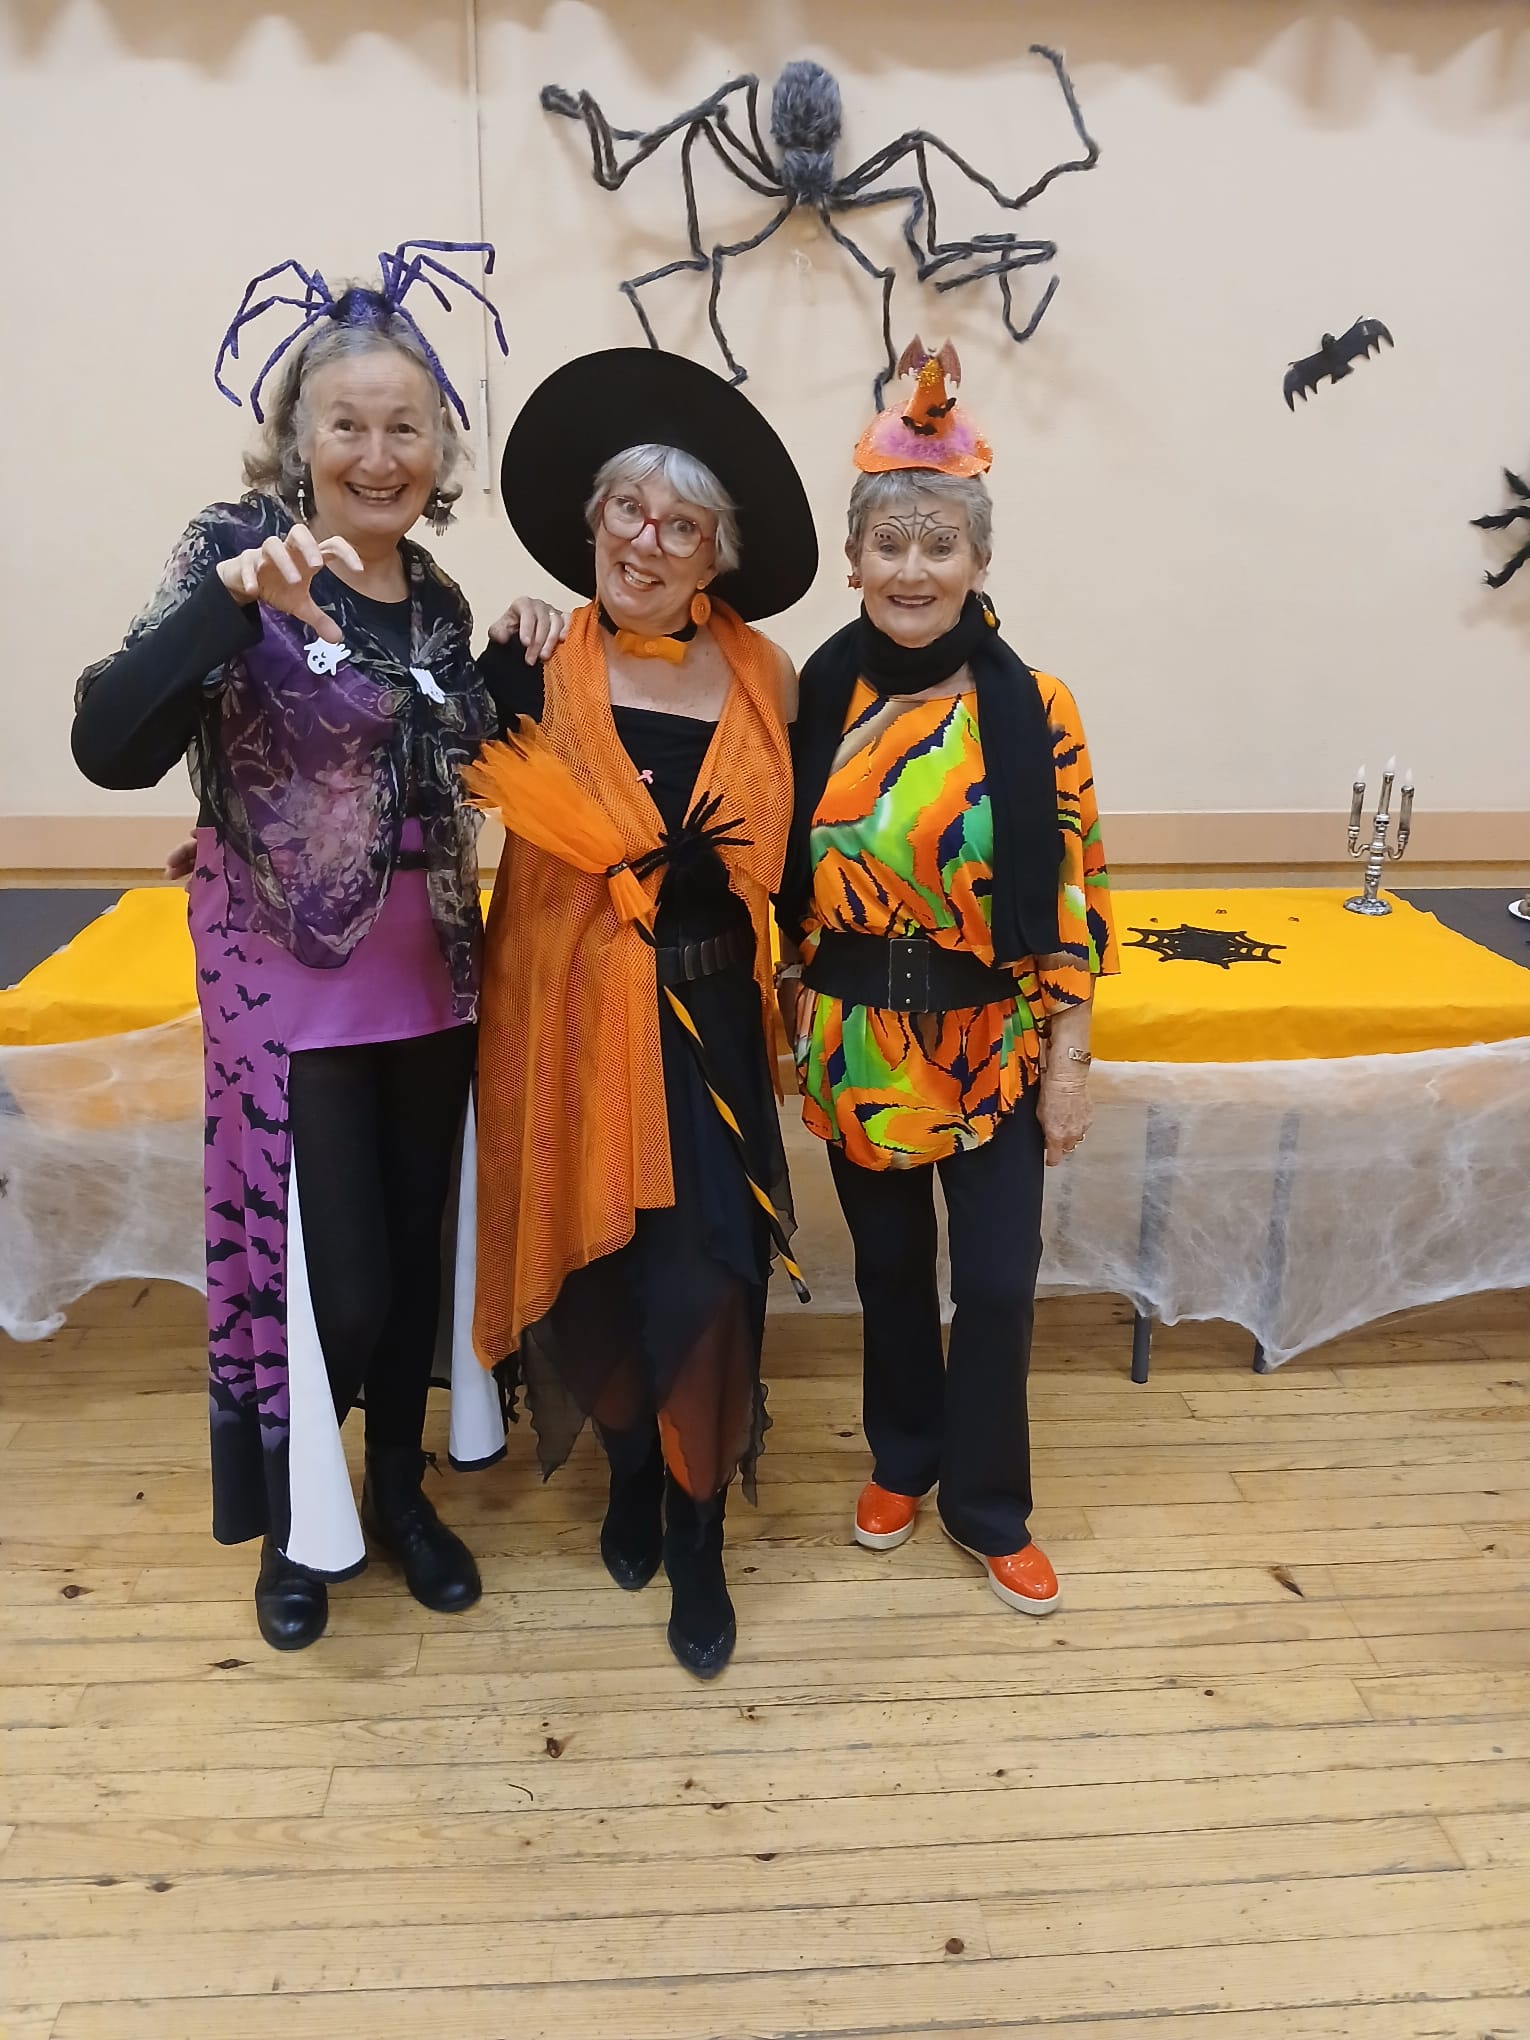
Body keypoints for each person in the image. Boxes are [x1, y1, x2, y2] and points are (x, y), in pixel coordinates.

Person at [71, 242, 563, 1651]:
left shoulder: (442, 602)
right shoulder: (236, 551)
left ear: (440, 450)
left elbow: (460, 759)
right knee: (320, 1275)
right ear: (299, 438)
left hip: (433, 974)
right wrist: (225, 604)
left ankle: (397, 1494)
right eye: (348, 423)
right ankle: (300, 1525)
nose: (378, 453)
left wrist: (518, 655)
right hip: (285, 984)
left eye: (407, 427)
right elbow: (109, 741)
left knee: (407, 1262)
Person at [468, 347, 817, 1678]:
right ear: (593, 519)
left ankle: (697, 1524)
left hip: (711, 1026)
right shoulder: (530, 664)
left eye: (681, 525)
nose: (647, 541)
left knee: (713, 1278)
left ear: (716, 555)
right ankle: (626, 1468)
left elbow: (807, 856)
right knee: (596, 1271)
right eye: (629, 509)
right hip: (570, 1029)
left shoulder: (767, 678)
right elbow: (407, 787)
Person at [777, 339, 1119, 1614]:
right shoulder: (812, 697)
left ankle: (987, 1504)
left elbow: (1077, 892)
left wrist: (1071, 1058)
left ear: (978, 562)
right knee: (885, 1274)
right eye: (890, 544)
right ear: (854, 558)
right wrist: (782, 1014)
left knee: (997, 1285)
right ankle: (902, 1457)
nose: (912, 569)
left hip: (994, 1040)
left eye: (940, 544)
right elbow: (772, 872)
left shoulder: (1039, 706)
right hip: (858, 1038)